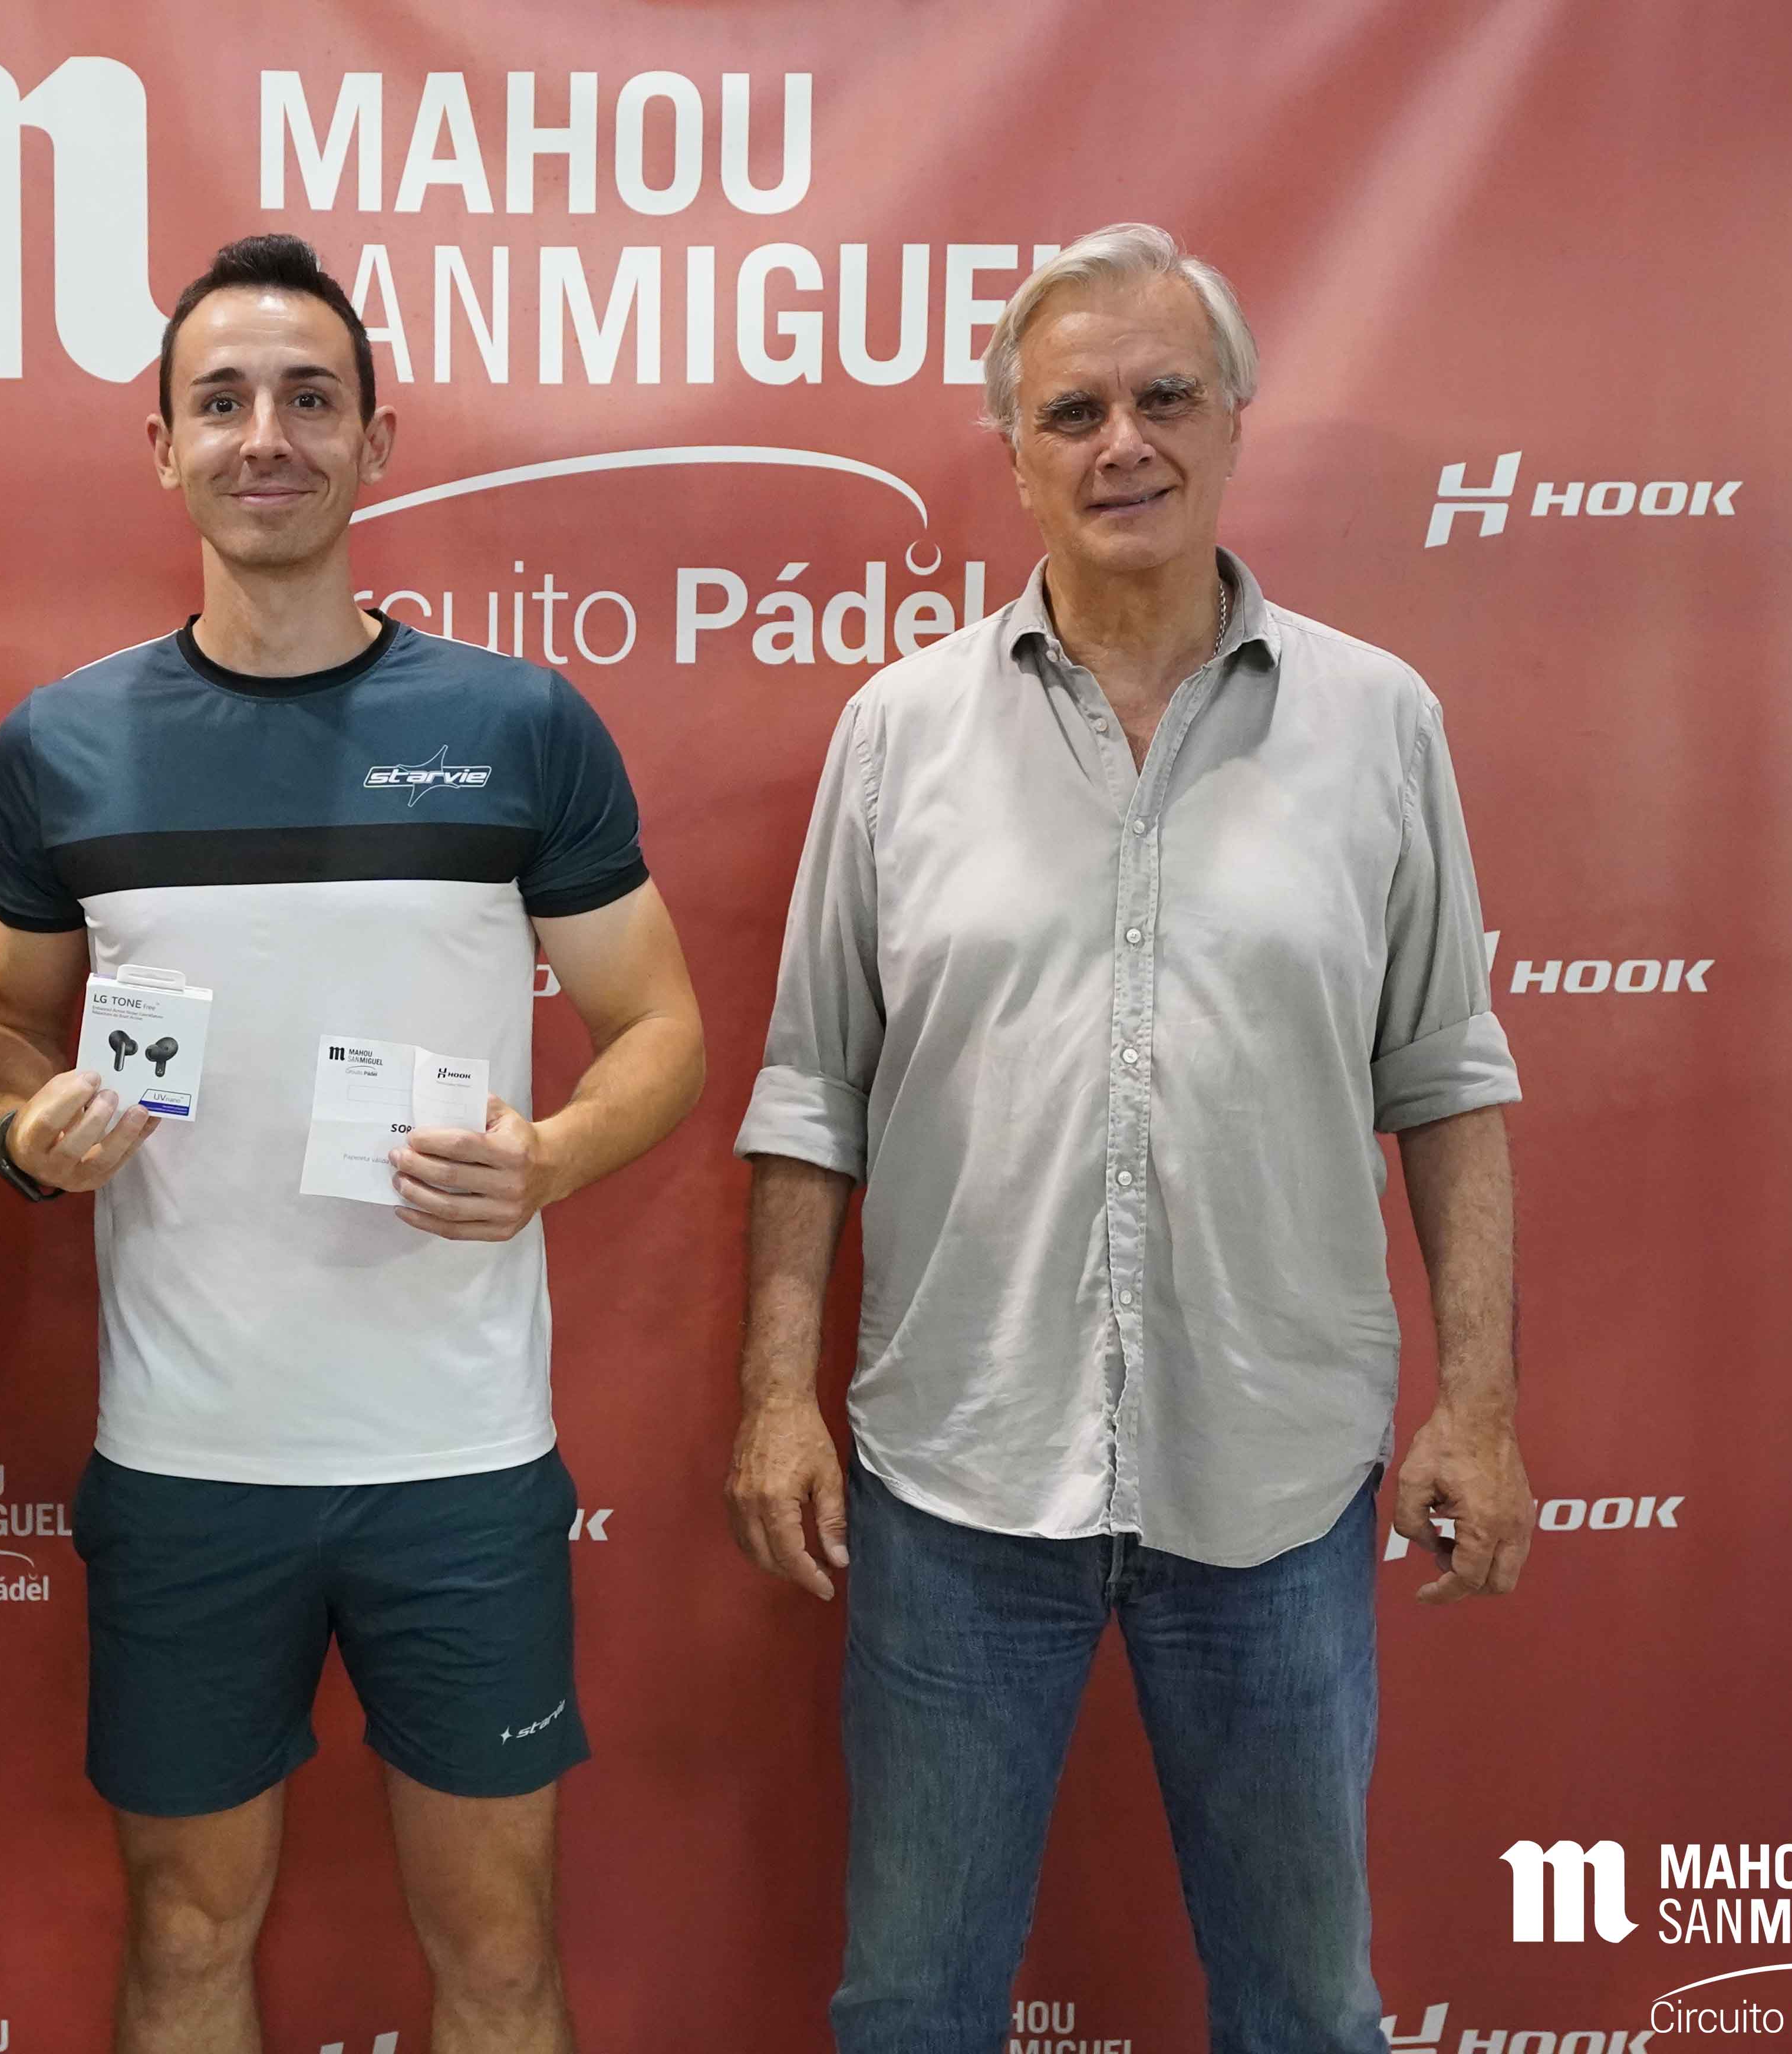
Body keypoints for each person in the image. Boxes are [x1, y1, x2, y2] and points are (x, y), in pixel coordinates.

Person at [724, 225, 1531, 2054]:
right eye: (1070, 411)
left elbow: (1444, 1075)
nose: (1121, 444)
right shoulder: (895, 734)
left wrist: (1476, 1399)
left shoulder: (1377, 722)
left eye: (1163, 397)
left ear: (1234, 419)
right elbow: (809, 1090)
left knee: (1304, 2005)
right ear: (1012, 451)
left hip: (1275, 1476)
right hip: (958, 1474)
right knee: (911, 2003)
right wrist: (774, 1392)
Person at [0, 233, 704, 2054]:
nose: (265, 436)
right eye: (221, 401)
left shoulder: (518, 726)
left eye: (309, 399)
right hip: (187, 1460)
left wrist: (551, 1157)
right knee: (185, 1936)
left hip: (457, 1461)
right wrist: (26, 1127)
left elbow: (663, 1030)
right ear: (162, 445)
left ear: (378, 440)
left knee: (500, 1954)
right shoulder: (61, 746)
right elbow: (2, 1024)